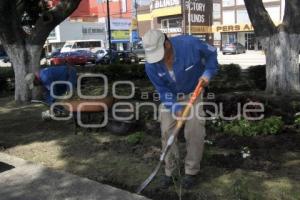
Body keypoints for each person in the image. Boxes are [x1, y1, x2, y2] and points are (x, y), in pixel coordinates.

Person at [142, 30, 218, 189]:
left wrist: (208, 73)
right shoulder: (150, 65)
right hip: (171, 97)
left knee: (195, 130)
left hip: (193, 92)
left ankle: (191, 171)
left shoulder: (190, 44)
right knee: (166, 132)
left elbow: (211, 54)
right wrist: (174, 107)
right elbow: (162, 90)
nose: (158, 59)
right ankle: (171, 171)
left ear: (167, 44)